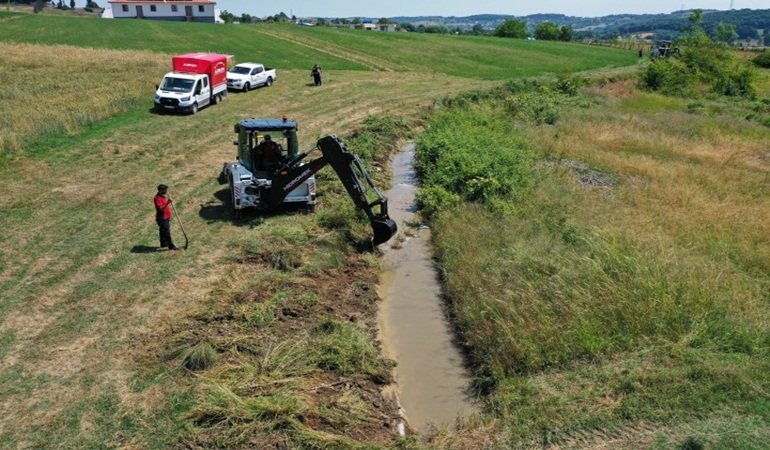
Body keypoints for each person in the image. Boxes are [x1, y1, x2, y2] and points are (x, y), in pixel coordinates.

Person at [154, 184, 178, 251]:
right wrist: (168, 202)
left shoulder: (162, 197)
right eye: (165, 190)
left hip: (165, 217)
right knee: (166, 232)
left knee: (162, 230)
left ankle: (163, 243)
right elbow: (160, 209)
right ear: (161, 190)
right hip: (162, 218)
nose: (166, 191)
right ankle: (171, 246)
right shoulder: (157, 198)